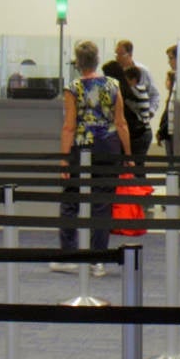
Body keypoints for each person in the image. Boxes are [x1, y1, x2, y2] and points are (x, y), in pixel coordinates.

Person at [56, 39, 132, 273]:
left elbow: (69, 126)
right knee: (102, 203)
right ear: (97, 59)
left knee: (71, 199)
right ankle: (97, 259)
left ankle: (69, 255)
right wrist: (127, 154)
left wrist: (64, 158)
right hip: (108, 147)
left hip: (82, 146)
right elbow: (121, 123)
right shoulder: (113, 85)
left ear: (78, 63)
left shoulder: (73, 88)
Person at [110, 39, 157, 173]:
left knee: (136, 168)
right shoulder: (114, 73)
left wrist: (148, 113)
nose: (118, 58)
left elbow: (154, 95)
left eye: (121, 54)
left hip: (138, 129)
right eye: (116, 54)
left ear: (130, 55)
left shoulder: (142, 72)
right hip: (121, 127)